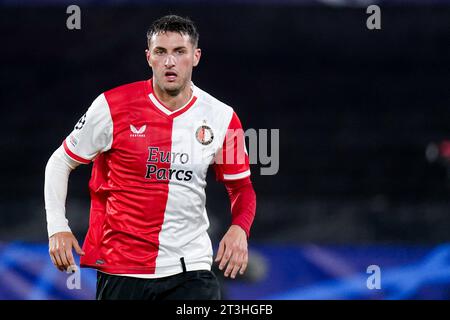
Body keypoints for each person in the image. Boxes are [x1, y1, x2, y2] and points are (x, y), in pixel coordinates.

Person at [44, 15, 256, 300]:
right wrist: (57, 227)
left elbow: (241, 187)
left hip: (191, 269)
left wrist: (239, 228)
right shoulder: (112, 106)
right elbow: (60, 161)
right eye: (161, 52)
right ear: (149, 57)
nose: (170, 62)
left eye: (179, 52)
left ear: (195, 56)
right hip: (123, 269)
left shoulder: (222, 117)